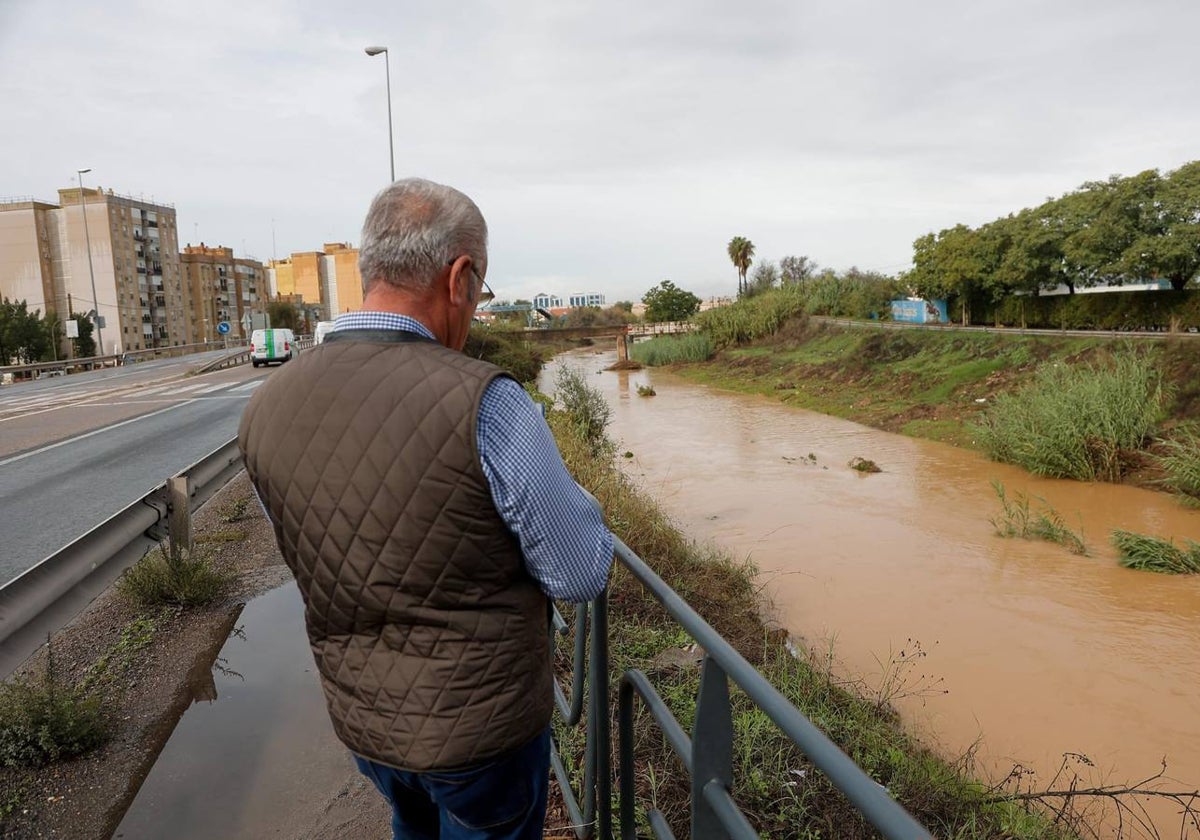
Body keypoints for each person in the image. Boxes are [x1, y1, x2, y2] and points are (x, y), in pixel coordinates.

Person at [238, 178, 614, 840]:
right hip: (482, 739)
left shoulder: (267, 407)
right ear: (460, 277)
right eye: (481, 290)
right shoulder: (487, 403)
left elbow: (310, 547)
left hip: (366, 726)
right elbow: (580, 572)